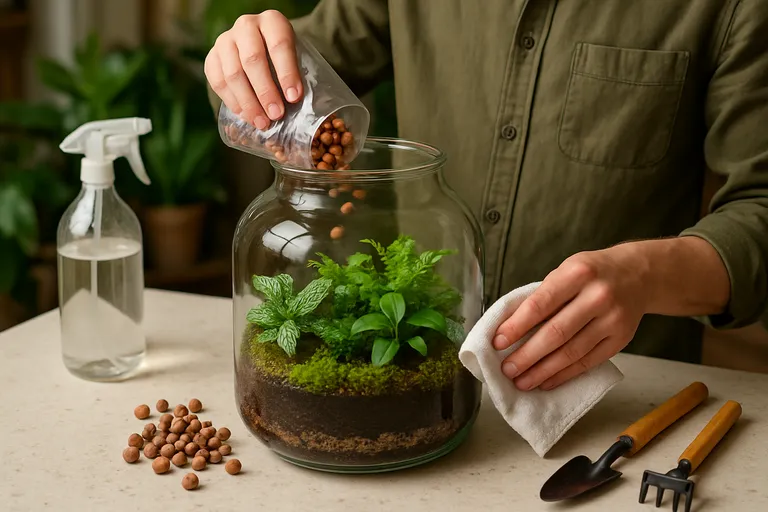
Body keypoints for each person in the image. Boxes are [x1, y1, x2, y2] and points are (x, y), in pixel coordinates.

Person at [204, 1, 768, 391]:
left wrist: (645, 274)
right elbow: (272, 93)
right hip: (420, 359)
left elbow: (759, 210)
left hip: (623, 391)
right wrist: (245, 68)